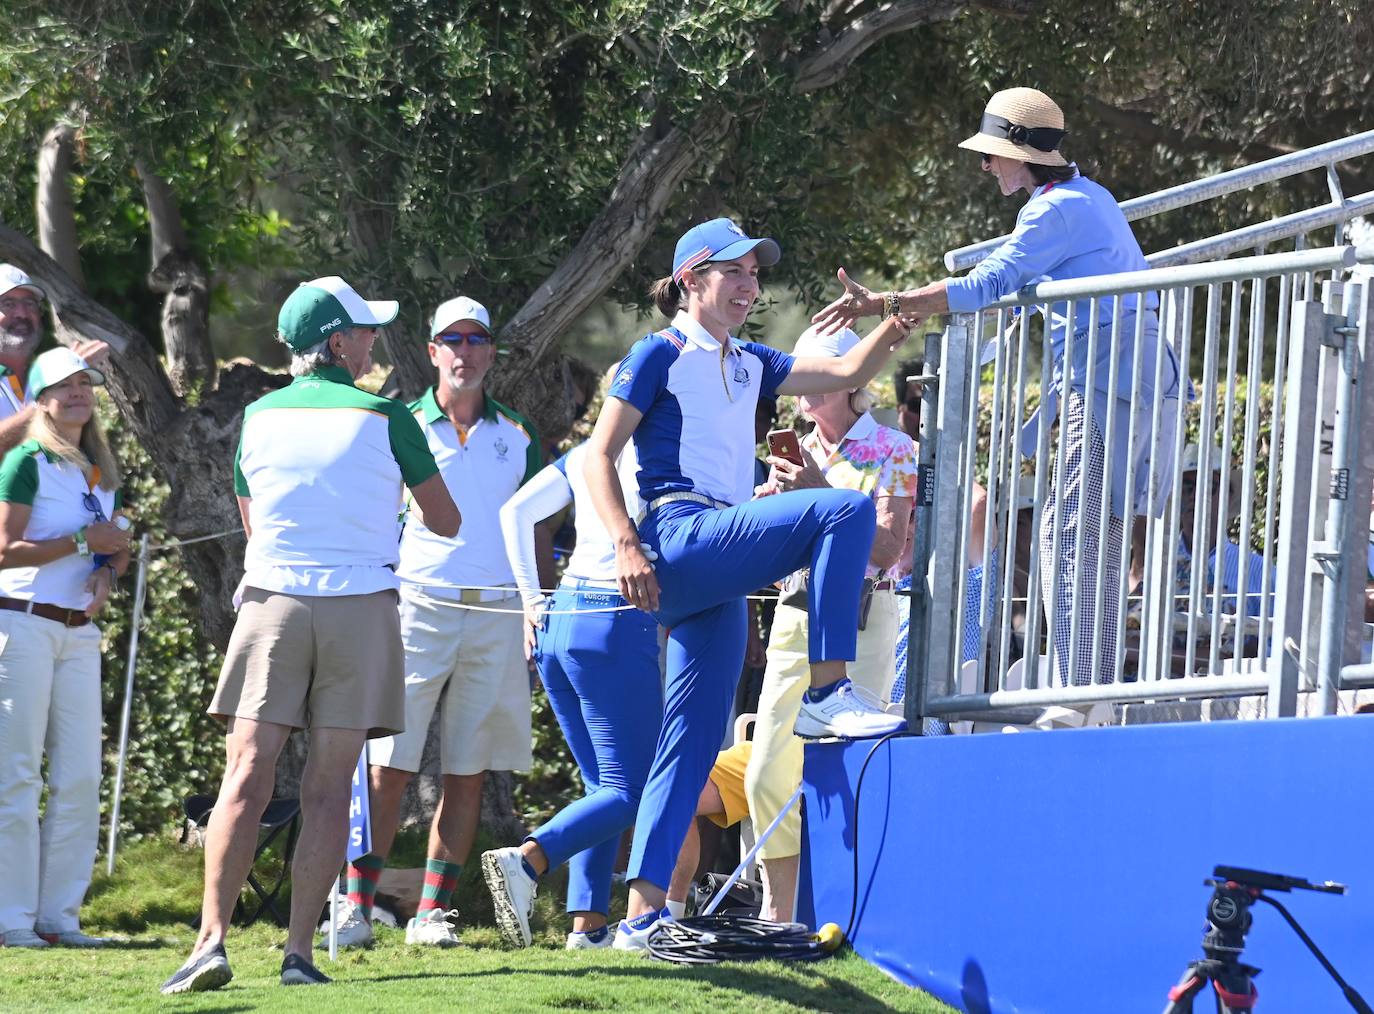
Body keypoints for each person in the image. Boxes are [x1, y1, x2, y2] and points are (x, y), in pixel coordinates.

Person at [583, 217, 914, 950]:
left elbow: (850, 374)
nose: (749, 286)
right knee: (846, 509)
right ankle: (828, 694)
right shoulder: (657, 353)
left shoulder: (749, 360)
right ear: (690, 280)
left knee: (691, 748)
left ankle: (639, 916)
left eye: (755, 275)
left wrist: (898, 313)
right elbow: (596, 457)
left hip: (714, 565)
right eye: (734, 272)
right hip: (677, 537)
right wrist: (626, 546)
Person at [813, 87, 1183, 689]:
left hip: (1107, 383)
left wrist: (886, 303)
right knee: (1098, 538)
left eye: (992, 154)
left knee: (1067, 536)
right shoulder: (1091, 196)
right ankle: (1092, 689)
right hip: (1136, 382)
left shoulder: (1053, 209)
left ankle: (1076, 689)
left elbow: (985, 283)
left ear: (1022, 152)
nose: (985, 165)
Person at [161, 277, 459, 993]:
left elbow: (252, 516)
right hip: (359, 608)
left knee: (244, 777)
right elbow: (445, 520)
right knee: (329, 790)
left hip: (274, 604)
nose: (371, 344)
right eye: (362, 333)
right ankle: (299, 955)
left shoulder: (258, 416)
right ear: (335, 342)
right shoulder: (389, 415)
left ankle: (210, 943)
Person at [340, 295, 546, 950]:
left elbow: (536, 530)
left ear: (491, 352)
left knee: (468, 771)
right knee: (387, 768)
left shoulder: (517, 434)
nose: (464, 351)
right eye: (451, 340)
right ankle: (355, 905)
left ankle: (432, 914)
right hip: (415, 608)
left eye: (476, 339)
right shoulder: (397, 424)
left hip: (497, 614)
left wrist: (537, 608)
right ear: (431, 352)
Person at [743, 323, 916, 922]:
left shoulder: (894, 446)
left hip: (864, 621)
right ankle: (778, 914)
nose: (804, 385)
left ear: (851, 383)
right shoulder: (798, 451)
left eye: (817, 372)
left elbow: (890, 550)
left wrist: (821, 491)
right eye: (802, 372)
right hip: (792, 621)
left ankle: (854, 916)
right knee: (767, 772)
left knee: (846, 771)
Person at [480, 411, 659, 951]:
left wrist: (533, 602)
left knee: (602, 787)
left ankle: (587, 926)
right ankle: (529, 859)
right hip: (613, 623)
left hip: (560, 620)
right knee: (637, 788)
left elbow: (514, 511)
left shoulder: (586, 454)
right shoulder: (668, 454)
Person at [0, 348, 130, 949]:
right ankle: (12, 919)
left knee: (79, 777)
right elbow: (3, 550)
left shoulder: (97, 468)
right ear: (42, 400)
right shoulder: (26, 461)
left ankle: (60, 917)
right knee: (17, 777)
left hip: (79, 633)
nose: (80, 392)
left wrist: (107, 567)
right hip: (22, 627)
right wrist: (82, 538)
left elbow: (104, 551)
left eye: (87, 383)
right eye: (66, 385)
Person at [0, 265, 110, 458]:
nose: (22, 314)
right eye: (8, 304)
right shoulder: (52, 382)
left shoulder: (43, 373)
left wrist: (69, 379)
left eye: (30, 304)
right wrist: (48, 399)